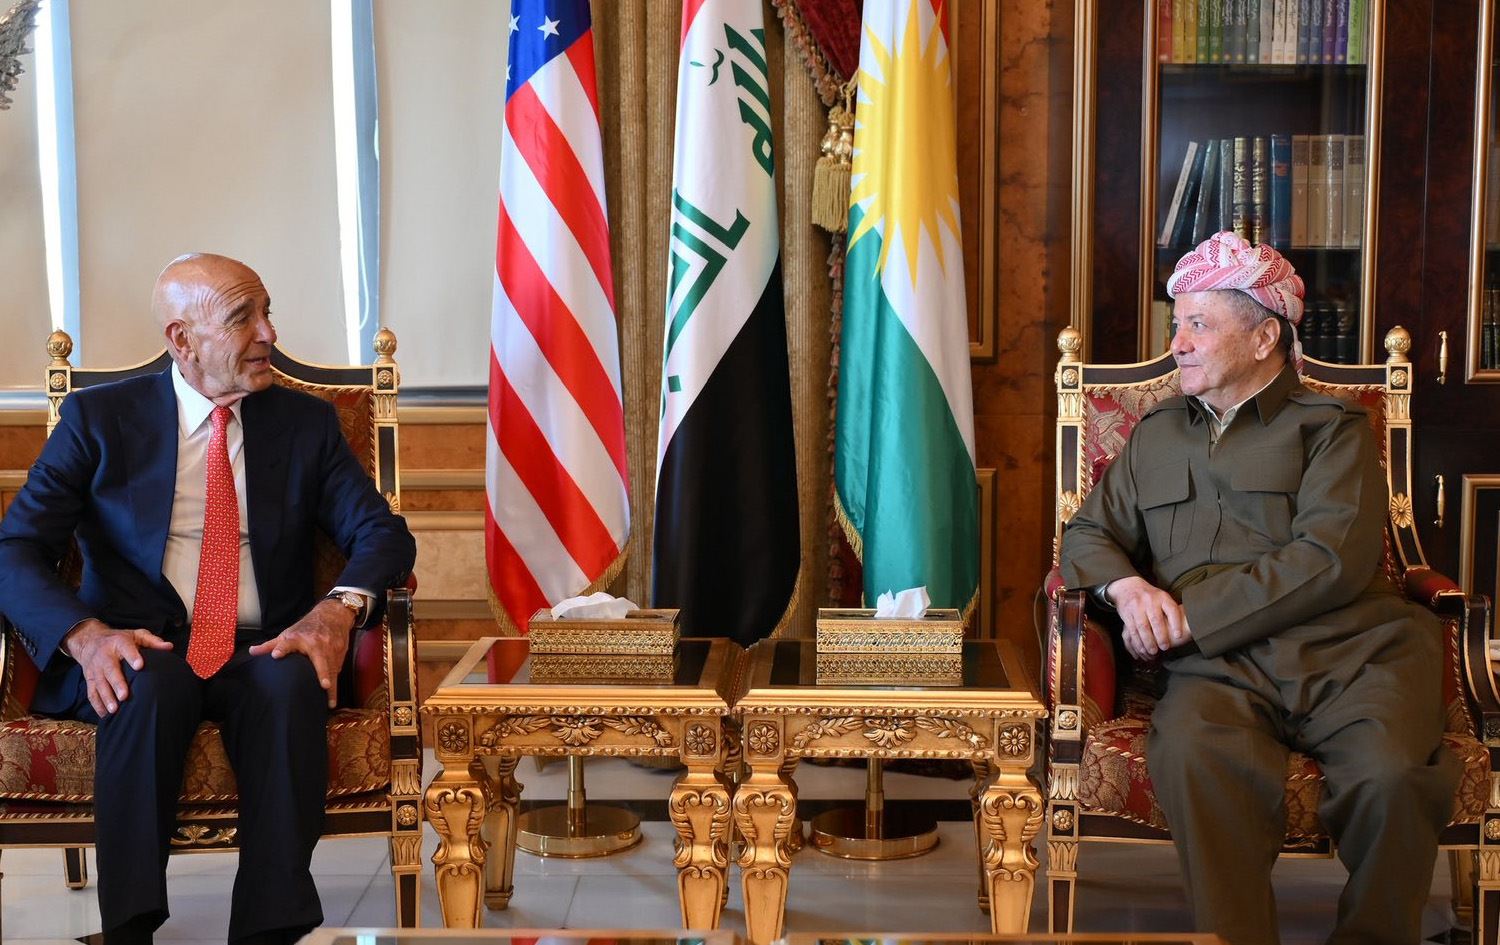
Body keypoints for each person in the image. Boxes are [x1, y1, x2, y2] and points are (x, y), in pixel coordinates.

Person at [0, 254, 416, 945]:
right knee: (140, 682)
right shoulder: (100, 419)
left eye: (266, 312)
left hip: (263, 642)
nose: (268, 333)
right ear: (182, 339)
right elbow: (13, 549)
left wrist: (337, 609)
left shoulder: (305, 424)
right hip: (141, 642)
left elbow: (382, 533)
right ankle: (128, 928)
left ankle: (269, 930)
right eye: (242, 318)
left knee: (290, 681)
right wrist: (85, 636)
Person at [1059, 231, 1459, 945]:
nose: (1177, 344)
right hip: (1219, 666)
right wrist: (1127, 589)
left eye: (1198, 325)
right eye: (1177, 324)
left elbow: (1330, 559)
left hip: (1354, 654)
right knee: (1192, 754)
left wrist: (1189, 616)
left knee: (1393, 778)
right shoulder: (1156, 433)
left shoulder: (1333, 429)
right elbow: (1088, 533)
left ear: (1264, 336)